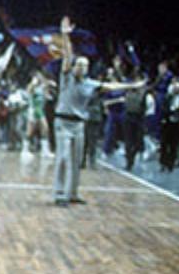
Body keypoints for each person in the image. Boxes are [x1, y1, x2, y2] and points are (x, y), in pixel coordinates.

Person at [53, 17, 145, 206]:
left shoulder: (90, 84)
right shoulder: (66, 77)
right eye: (78, 65)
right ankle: (59, 194)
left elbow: (110, 86)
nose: (80, 68)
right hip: (62, 122)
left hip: (79, 124)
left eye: (84, 66)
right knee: (62, 158)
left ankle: (73, 193)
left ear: (87, 69)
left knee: (76, 160)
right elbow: (68, 56)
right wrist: (65, 35)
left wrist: (132, 85)